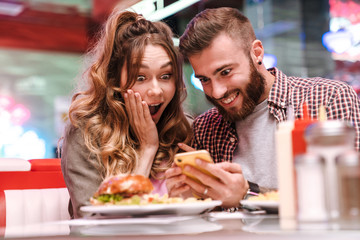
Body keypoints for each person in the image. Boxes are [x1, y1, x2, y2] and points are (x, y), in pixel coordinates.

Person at [165, 7, 360, 209]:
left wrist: (246, 194)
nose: (216, 92)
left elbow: (351, 197)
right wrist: (189, 200)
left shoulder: (327, 99)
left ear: (256, 52)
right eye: (204, 79)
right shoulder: (205, 128)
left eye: (225, 72)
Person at [61, 8, 192, 218]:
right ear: (115, 82)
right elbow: (93, 222)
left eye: (166, 76)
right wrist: (148, 148)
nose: (156, 90)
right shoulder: (86, 133)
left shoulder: (185, 129)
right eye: (141, 77)